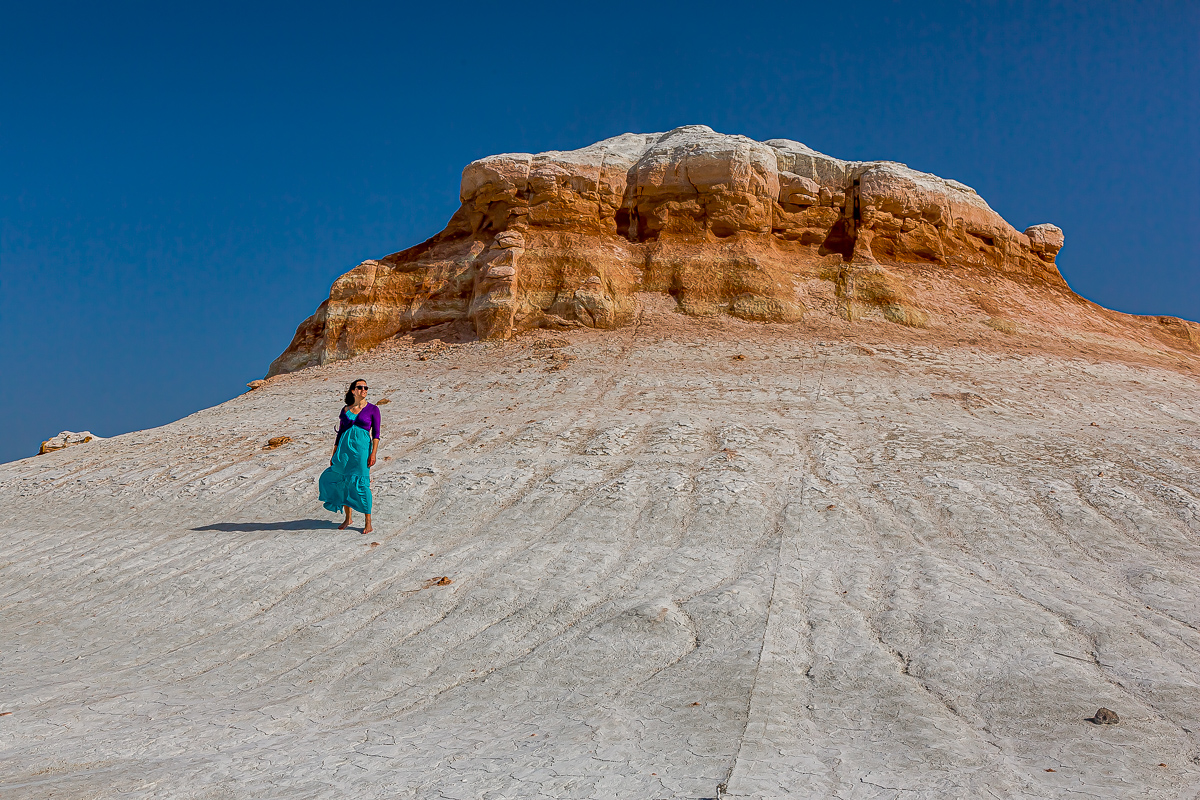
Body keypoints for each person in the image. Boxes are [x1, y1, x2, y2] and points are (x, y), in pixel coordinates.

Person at [318, 379, 380, 534]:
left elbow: (376, 435)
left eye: (366, 387)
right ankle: (348, 518)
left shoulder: (373, 409)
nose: (364, 389)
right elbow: (339, 435)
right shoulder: (345, 410)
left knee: (361, 484)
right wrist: (334, 454)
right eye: (360, 387)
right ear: (353, 390)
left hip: (361, 451)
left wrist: (373, 453)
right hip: (344, 451)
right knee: (342, 480)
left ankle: (368, 521)